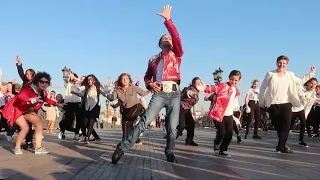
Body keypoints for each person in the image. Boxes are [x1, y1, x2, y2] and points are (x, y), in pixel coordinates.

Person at [111, 4, 184, 164]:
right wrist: (150, 84)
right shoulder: (153, 59)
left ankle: (170, 151)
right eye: (164, 38)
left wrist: (168, 21)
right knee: (144, 122)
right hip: (159, 93)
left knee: (172, 127)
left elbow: (177, 38)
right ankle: (122, 147)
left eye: (169, 38)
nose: (168, 39)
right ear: (160, 44)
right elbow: (146, 77)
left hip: (175, 93)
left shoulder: (177, 55)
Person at [259, 55, 315, 154]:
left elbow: (300, 81)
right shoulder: (270, 74)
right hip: (273, 104)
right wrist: (262, 102)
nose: (282, 65)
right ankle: (282, 145)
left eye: (284, 63)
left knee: (286, 126)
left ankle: (280, 146)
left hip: (286, 103)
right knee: (278, 126)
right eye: (280, 63)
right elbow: (263, 88)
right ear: (276, 63)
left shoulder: (290, 74)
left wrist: (311, 73)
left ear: (287, 65)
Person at [1, 72, 65, 155]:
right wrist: (30, 99)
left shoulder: (43, 92)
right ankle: (17, 147)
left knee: (38, 122)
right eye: (42, 82)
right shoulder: (28, 87)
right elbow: (21, 96)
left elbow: (46, 99)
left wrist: (57, 104)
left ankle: (38, 147)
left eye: (46, 82)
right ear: (37, 82)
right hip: (16, 109)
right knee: (25, 127)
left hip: (26, 111)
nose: (44, 84)